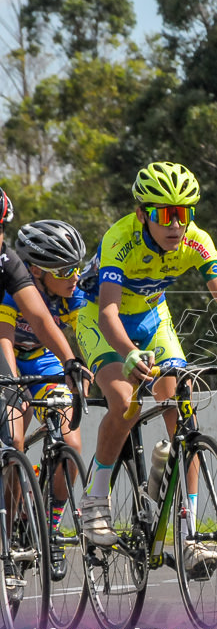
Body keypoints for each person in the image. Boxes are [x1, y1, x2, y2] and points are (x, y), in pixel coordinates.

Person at [76, 162, 217, 580]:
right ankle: (95, 500)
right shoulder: (120, 239)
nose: (177, 225)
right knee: (125, 403)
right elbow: (108, 310)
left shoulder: (196, 241)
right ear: (143, 213)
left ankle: (189, 535)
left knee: (181, 409)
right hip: (100, 318)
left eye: (185, 213)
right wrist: (127, 354)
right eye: (166, 214)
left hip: (151, 316)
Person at [0, 194, 91, 591]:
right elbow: (3, 337)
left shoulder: (9, 262)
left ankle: (48, 526)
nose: (74, 275)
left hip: (39, 360)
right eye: (65, 269)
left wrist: (76, 363)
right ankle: (10, 525)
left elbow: (46, 321)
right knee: (14, 436)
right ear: (41, 270)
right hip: (6, 355)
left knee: (71, 439)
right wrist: (11, 387)